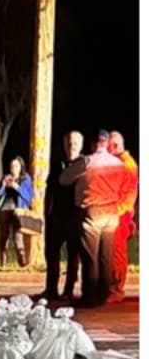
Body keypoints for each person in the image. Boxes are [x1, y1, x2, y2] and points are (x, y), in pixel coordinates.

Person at [60, 133, 138, 306]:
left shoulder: (87, 161)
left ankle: (90, 296)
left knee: (90, 255)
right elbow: (127, 186)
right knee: (106, 255)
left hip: (93, 210)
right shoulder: (119, 164)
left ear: (95, 144)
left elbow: (64, 179)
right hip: (111, 212)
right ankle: (104, 293)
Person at [40, 131, 85, 301]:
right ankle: (51, 289)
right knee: (52, 254)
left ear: (80, 145)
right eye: (68, 142)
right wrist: (46, 212)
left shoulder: (83, 164)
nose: (71, 146)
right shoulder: (57, 164)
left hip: (74, 217)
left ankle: (69, 289)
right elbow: (49, 189)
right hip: (56, 216)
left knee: (73, 256)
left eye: (74, 143)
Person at [108, 131, 138, 303]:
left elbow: (129, 194)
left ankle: (117, 288)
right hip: (116, 212)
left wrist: (117, 211)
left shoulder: (128, 165)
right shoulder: (121, 163)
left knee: (117, 252)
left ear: (115, 145)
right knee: (112, 252)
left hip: (120, 214)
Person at [0, 156, 34, 267]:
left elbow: (28, 197)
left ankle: (22, 261)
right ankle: (3, 261)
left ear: (21, 167)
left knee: (18, 235)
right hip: (5, 209)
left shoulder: (25, 179)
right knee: (4, 235)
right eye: (12, 166)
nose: (14, 168)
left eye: (16, 166)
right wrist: (3, 185)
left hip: (18, 210)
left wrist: (16, 186)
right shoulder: (6, 177)